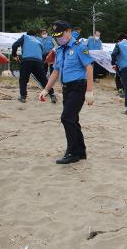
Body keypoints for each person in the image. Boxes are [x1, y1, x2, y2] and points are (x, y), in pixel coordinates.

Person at [39, 20, 95, 164]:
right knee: (73, 120)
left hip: (79, 87)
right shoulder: (59, 50)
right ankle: (80, 151)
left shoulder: (80, 47)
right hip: (67, 88)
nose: (59, 38)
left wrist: (90, 91)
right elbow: (55, 71)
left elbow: (89, 67)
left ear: (69, 32)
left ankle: (72, 152)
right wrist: (46, 89)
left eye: (61, 35)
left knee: (66, 118)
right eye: (56, 36)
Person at [12, 29, 57, 104]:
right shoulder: (39, 40)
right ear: (35, 35)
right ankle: (52, 95)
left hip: (27, 60)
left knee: (23, 79)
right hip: (38, 61)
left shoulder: (25, 37)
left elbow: (15, 45)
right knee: (43, 80)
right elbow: (42, 51)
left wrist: (14, 55)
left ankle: (23, 97)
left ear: (27, 34)